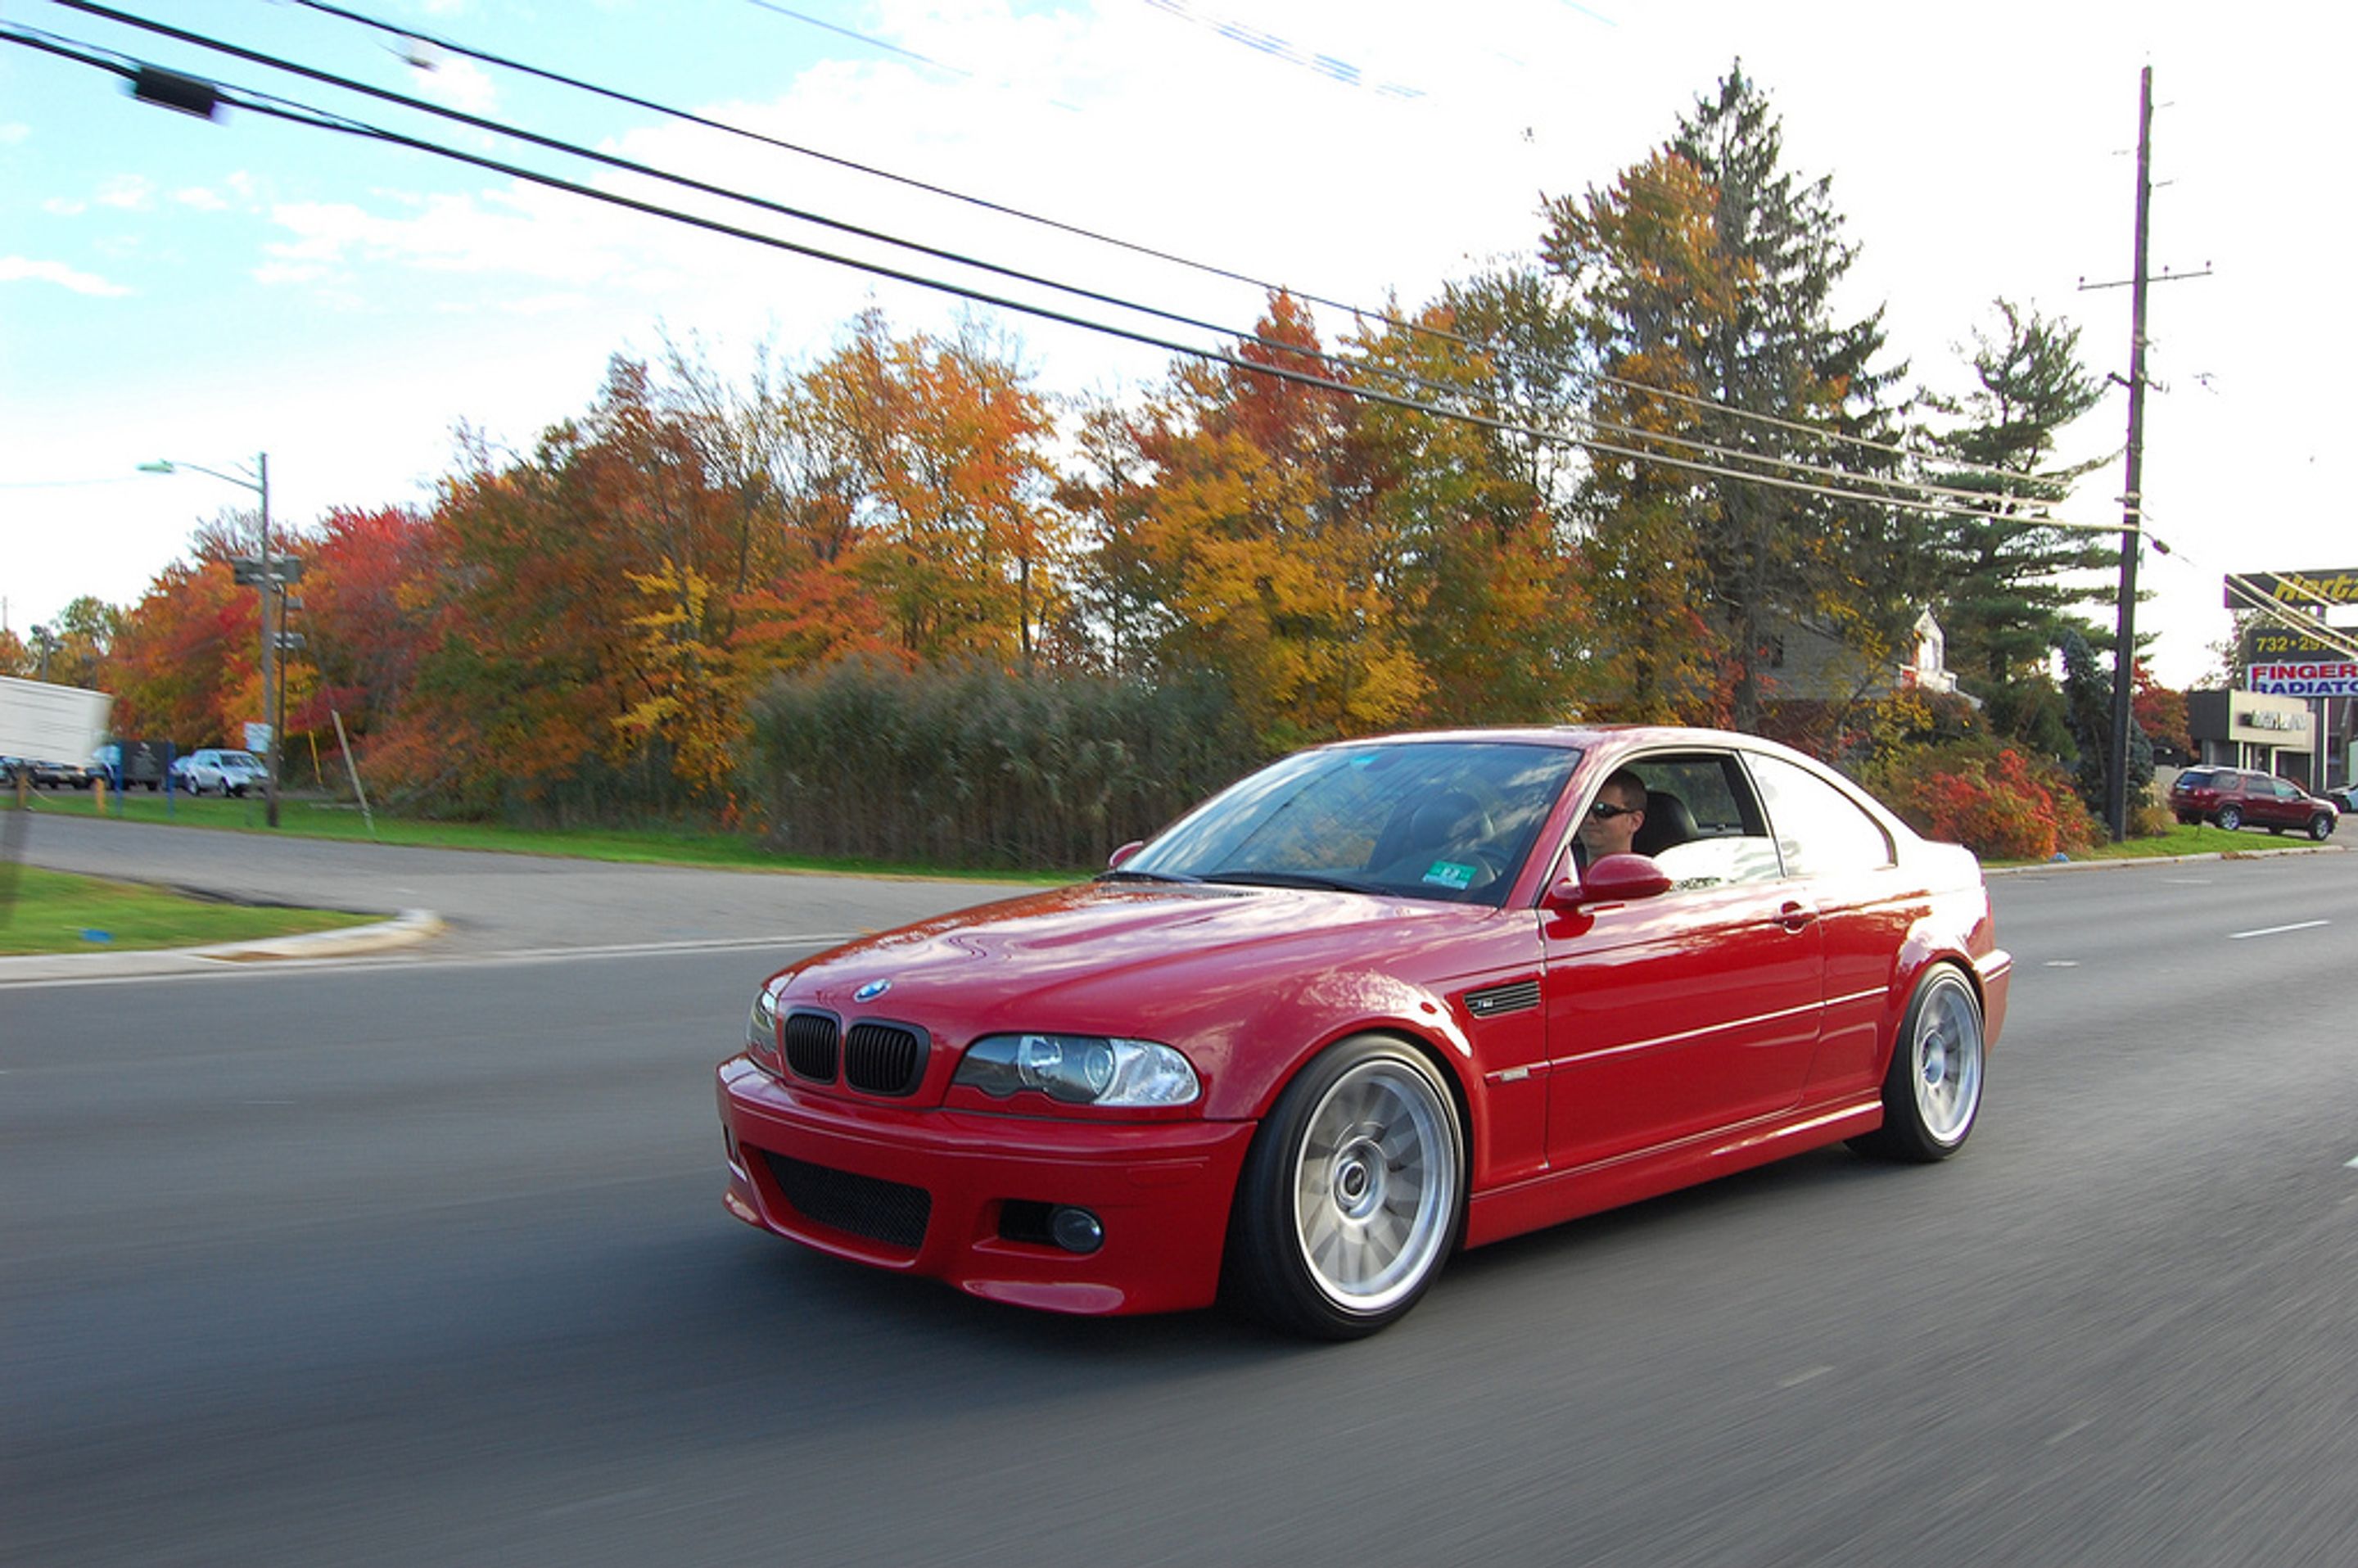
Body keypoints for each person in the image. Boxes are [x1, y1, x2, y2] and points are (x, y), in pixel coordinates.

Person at [1574, 769, 1647, 869]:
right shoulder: (1554, 876)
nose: (1589, 819)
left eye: (1603, 810)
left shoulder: (1646, 881)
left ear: (1635, 822)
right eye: (1583, 809)